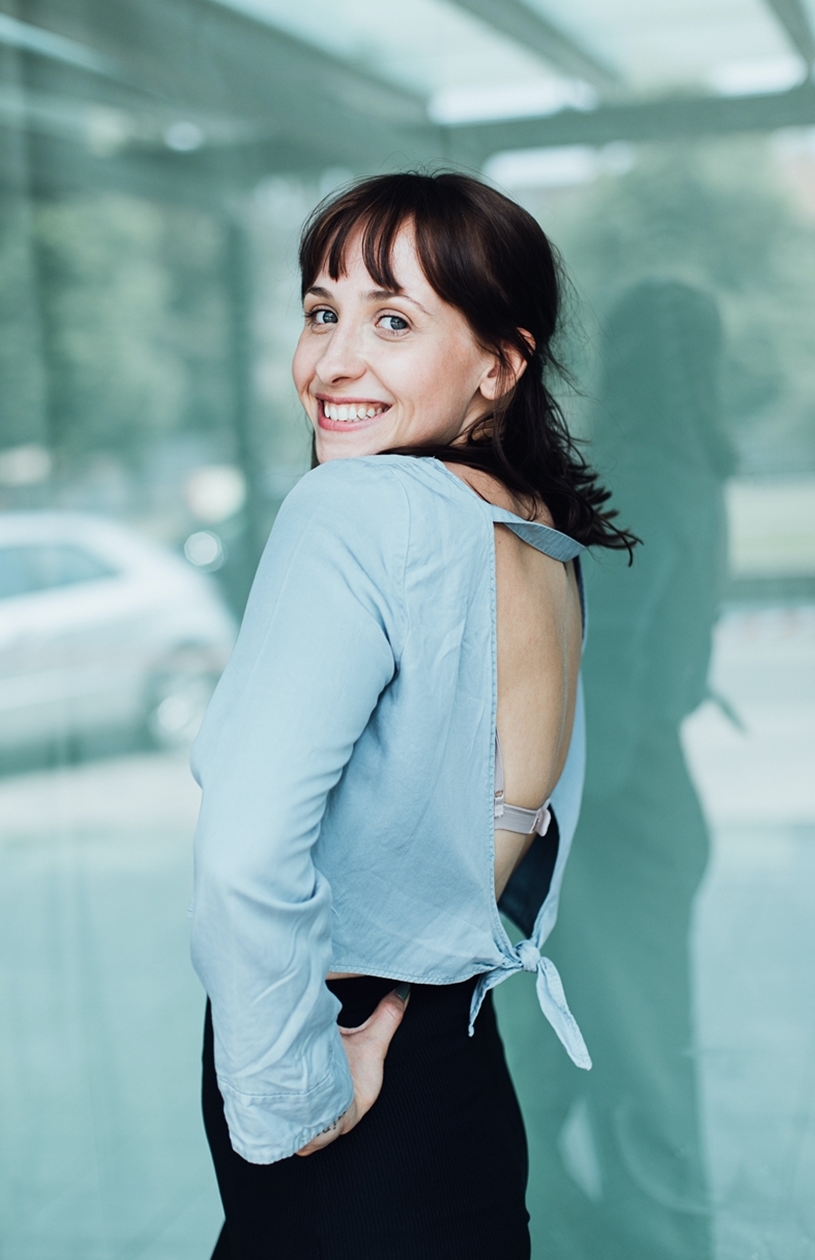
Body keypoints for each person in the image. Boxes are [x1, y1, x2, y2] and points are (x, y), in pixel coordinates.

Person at [189, 171, 636, 1259]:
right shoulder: (534, 532)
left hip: (350, 1070)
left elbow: (245, 859)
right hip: (459, 1067)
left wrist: (294, 1096)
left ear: (500, 363)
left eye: (392, 321)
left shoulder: (356, 508)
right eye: (321, 312)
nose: (333, 362)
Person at [520, 279, 735, 1258]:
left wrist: (532, 823)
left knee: (625, 1063)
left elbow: (603, 672)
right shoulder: (694, 473)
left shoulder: (639, 476)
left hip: (611, 808)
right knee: (588, 1055)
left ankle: (654, 1243)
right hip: (647, 798)